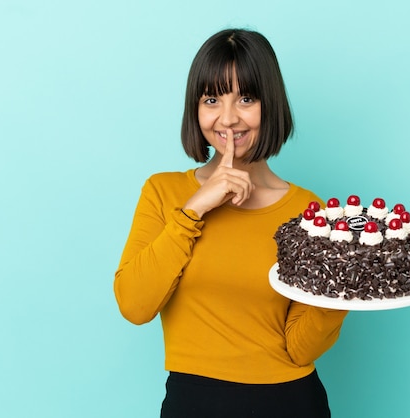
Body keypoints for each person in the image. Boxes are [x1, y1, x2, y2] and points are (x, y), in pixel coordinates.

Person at [114, 28, 348, 418]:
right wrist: (192, 212)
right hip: (192, 402)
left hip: (290, 402)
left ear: (269, 104)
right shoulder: (164, 193)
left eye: (246, 98)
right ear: (195, 109)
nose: (227, 118)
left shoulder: (308, 211)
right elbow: (135, 305)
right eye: (211, 99)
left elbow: (300, 348)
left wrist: (338, 289)